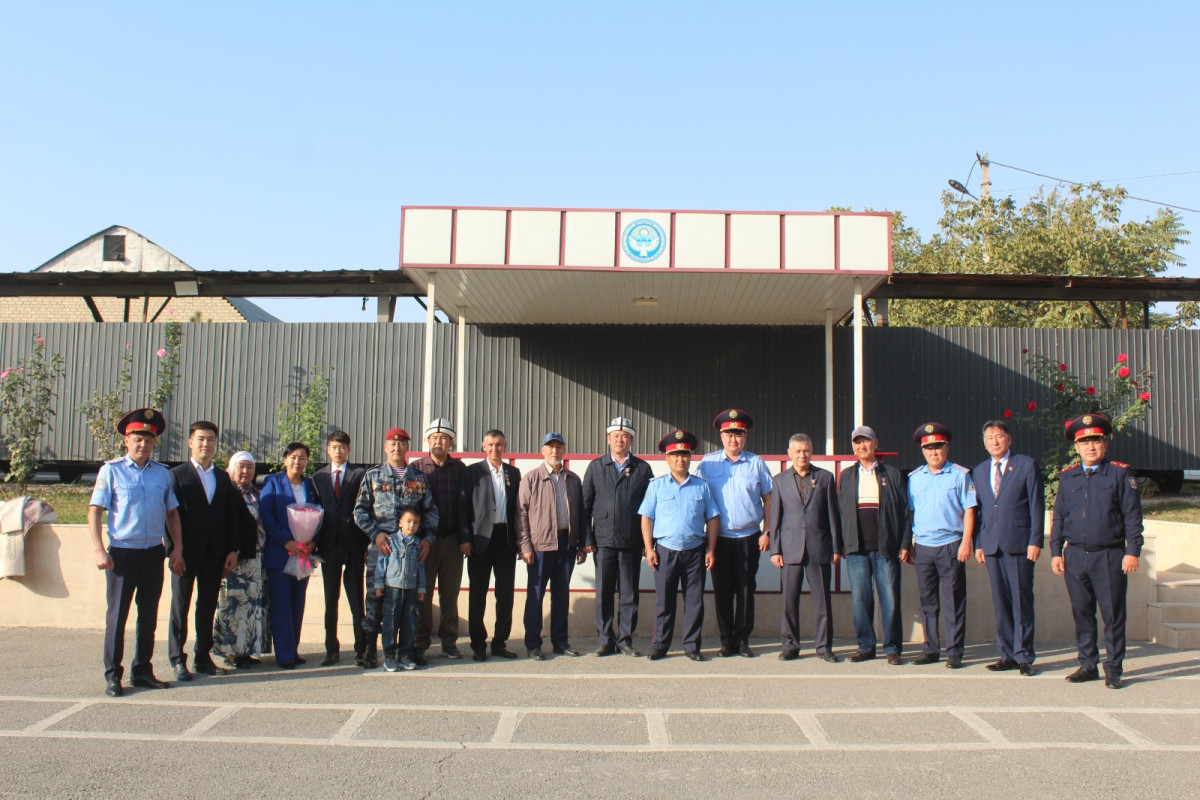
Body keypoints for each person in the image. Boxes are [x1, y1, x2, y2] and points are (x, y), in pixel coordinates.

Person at [88, 408, 183, 697]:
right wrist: (98, 549)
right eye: (138, 439)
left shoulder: (162, 474)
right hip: (122, 554)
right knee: (117, 616)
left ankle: (142, 670)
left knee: (149, 616)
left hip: (153, 552)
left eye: (149, 440)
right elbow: (95, 512)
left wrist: (177, 548)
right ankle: (112, 675)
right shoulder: (112, 471)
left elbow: (172, 514)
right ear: (126, 441)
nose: (143, 445)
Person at [1050, 413, 1143, 689]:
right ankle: (1088, 664)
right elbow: (1059, 517)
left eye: (1096, 441)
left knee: (1112, 615)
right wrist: (1055, 551)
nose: (1091, 447)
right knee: (1082, 613)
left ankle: (1113, 668)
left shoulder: (1120, 474)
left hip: (1109, 555)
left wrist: (1132, 550)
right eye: (1085, 442)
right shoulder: (1068, 477)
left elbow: (1132, 516)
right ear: (1076, 447)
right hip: (1075, 555)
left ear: (1105, 443)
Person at [353, 427, 437, 667]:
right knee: (375, 599)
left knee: (409, 604)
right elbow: (360, 511)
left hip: (410, 550)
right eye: (392, 444)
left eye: (401, 444)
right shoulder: (373, 476)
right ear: (385, 447)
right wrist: (376, 534)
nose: (396, 448)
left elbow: (431, 512)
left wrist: (427, 540)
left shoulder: (419, 478)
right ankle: (370, 650)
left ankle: (407, 651)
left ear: (407, 447)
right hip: (382, 549)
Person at [167, 421, 244, 681]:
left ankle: (202, 657)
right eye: (200, 439)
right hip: (185, 555)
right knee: (180, 608)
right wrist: (173, 551)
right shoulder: (177, 475)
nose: (205, 444)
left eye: (210, 439)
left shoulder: (222, 477)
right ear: (190, 442)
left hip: (215, 554)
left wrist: (233, 550)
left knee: (207, 606)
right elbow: (169, 516)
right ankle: (177, 659)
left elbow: (231, 517)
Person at [694, 409, 773, 657]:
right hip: (718, 540)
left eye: (738, 434)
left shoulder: (756, 463)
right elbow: (696, 497)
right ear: (721, 436)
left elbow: (769, 500)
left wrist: (767, 531)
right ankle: (726, 640)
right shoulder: (708, 463)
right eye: (729, 434)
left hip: (749, 538)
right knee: (722, 591)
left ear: (745, 436)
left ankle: (742, 641)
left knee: (746, 590)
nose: (733, 439)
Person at [638, 430, 719, 661]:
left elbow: (712, 518)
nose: (680, 459)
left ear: (690, 458)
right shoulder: (656, 486)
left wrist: (711, 550)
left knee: (694, 602)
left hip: (694, 551)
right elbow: (646, 518)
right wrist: (649, 548)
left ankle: (692, 646)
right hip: (666, 551)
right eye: (675, 455)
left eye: (684, 455)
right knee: (664, 602)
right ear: (667, 458)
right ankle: (660, 645)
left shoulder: (702, 486)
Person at [972, 420, 1044, 676]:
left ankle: (1024, 656)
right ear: (984, 443)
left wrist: (1035, 540)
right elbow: (979, 511)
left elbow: (1036, 505)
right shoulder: (979, 471)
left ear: (1009, 439)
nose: (995, 441)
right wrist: (978, 544)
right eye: (990, 437)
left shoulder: (1026, 465)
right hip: (991, 544)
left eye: (999, 436)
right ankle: (1007, 654)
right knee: (1000, 602)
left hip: (1019, 544)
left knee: (1021, 601)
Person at [838, 426, 910, 666]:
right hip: (856, 549)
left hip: (885, 548)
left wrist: (905, 543)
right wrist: (842, 544)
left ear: (875, 443)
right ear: (853, 447)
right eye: (857, 442)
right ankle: (865, 647)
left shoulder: (892, 474)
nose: (862, 446)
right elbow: (840, 513)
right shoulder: (847, 476)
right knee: (860, 600)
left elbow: (904, 512)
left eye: (866, 441)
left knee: (890, 599)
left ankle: (892, 649)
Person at [581, 416, 653, 657]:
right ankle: (605, 640)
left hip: (632, 541)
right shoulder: (596, 467)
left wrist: (648, 542)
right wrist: (587, 539)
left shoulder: (642, 468)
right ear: (608, 439)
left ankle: (625, 640)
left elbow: (650, 508)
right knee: (603, 593)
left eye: (624, 436)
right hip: (603, 542)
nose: (620, 440)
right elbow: (585, 506)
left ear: (631, 440)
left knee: (629, 594)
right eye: (615, 436)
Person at [907, 423, 977, 669]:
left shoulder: (960, 475)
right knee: (927, 602)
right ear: (923, 451)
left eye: (938, 447)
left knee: (953, 601)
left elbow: (970, 510)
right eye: (929, 448)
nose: (934, 452)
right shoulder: (914, 478)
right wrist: (911, 544)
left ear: (947, 448)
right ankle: (930, 649)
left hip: (950, 545)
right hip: (923, 547)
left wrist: (966, 542)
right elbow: (911, 513)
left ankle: (954, 651)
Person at [768, 433, 842, 662]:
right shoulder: (779, 481)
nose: (802, 455)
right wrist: (775, 549)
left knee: (822, 601)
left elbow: (833, 515)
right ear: (789, 453)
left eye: (806, 450)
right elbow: (775, 518)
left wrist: (836, 547)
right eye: (798, 451)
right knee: (789, 601)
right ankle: (790, 645)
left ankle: (824, 647)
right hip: (790, 549)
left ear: (812, 452)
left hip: (819, 548)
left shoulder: (825, 478)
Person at [517, 432, 585, 660]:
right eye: (550, 447)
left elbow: (581, 513)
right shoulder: (531, 479)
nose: (554, 451)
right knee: (535, 596)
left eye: (558, 447)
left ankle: (560, 641)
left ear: (564, 451)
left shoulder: (573, 479)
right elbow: (521, 514)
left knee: (561, 596)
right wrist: (525, 545)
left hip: (567, 545)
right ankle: (533, 644)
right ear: (543, 451)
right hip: (540, 547)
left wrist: (581, 544)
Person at [458, 429, 522, 661]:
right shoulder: (472, 472)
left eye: (499, 444)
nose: (495, 448)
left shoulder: (513, 473)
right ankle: (478, 644)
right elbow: (463, 507)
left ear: (505, 446)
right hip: (480, 541)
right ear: (483, 446)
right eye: (490, 444)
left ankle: (499, 642)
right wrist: (465, 538)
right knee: (478, 594)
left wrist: (520, 540)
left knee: (505, 596)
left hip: (506, 540)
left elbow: (518, 509)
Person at [259, 442, 320, 669]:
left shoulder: (310, 485)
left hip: (303, 553)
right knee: (281, 605)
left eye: (302, 458)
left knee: (297, 604)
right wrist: (287, 541)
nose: (297, 462)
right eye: (293, 457)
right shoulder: (272, 482)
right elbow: (267, 516)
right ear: (285, 459)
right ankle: (284, 655)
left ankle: (293, 650)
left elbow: (319, 514)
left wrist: (313, 541)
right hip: (281, 552)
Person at [313, 431, 369, 667]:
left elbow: (366, 506)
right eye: (334, 447)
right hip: (328, 546)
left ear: (349, 449)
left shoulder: (360, 474)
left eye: (342, 447)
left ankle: (361, 648)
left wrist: (365, 542)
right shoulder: (318, 477)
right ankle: (331, 649)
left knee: (357, 600)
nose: (338, 451)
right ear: (328, 449)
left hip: (354, 544)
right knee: (330, 600)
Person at [413, 418, 467, 660]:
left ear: (450, 442)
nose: (438, 442)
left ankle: (449, 642)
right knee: (423, 593)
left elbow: (465, 506)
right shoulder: (416, 468)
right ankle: (420, 642)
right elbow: (411, 505)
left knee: (450, 593)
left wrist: (465, 538)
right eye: (434, 438)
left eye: (443, 438)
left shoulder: (460, 469)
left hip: (452, 541)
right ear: (427, 441)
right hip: (425, 542)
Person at [213, 451, 272, 668]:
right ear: (231, 469)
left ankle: (247, 650)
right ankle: (231, 652)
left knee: (253, 606)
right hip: (234, 558)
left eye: (250, 467)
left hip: (255, 558)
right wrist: (230, 550)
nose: (245, 471)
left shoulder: (256, 492)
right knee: (233, 605)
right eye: (241, 467)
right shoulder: (225, 491)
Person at [376, 508, 427, 672]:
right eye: (408, 521)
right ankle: (389, 656)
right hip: (393, 589)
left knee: (409, 623)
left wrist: (421, 588)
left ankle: (404, 654)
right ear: (400, 523)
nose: (412, 525)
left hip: (411, 589)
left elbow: (421, 568)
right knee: (390, 623)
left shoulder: (418, 545)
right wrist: (379, 585)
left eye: (416, 523)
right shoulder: (391, 541)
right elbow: (381, 564)